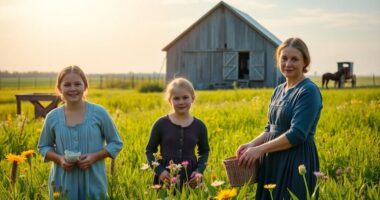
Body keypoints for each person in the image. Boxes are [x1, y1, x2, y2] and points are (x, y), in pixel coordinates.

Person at [236, 37, 322, 199]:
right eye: (284, 58)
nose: (288, 64)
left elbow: (297, 134)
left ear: (305, 62)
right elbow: (270, 128)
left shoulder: (308, 91)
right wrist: (252, 144)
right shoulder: (278, 90)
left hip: (297, 161)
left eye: (294, 59)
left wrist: (260, 150)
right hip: (273, 159)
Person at [37, 65, 123, 200]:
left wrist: (94, 157)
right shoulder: (52, 117)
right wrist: (60, 159)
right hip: (62, 184)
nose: (73, 89)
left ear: (85, 86)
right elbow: (43, 147)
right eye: (67, 85)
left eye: (77, 84)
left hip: (94, 183)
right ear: (60, 88)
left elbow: (116, 143)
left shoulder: (99, 113)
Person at [145, 77, 210, 189]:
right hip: (165, 177)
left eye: (185, 97)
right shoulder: (160, 124)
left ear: (193, 98)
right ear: (170, 100)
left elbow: (204, 151)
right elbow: (150, 151)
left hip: (191, 178)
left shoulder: (200, 126)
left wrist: (199, 171)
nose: (181, 102)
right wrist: (159, 171)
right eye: (176, 98)